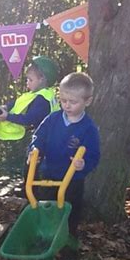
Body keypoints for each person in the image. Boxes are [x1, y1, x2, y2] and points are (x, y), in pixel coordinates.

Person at [28, 72, 100, 241]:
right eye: (63, 100)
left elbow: (94, 154)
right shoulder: (52, 119)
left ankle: (69, 243)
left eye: (73, 102)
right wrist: (34, 150)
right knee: (45, 207)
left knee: (70, 212)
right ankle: (45, 238)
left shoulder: (88, 128)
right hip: (48, 173)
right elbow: (38, 137)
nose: (67, 105)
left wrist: (84, 164)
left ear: (87, 101)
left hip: (72, 179)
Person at [0, 56, 60, 141]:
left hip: (47, 140)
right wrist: (6, 107)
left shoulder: (42, 99)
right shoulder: (46, 94)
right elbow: (19, 103)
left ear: (42, 80)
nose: (27, 82)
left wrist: (8, 117)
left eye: (30, 80)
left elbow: (29, 119)